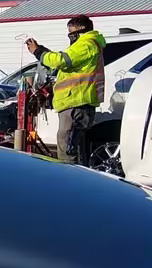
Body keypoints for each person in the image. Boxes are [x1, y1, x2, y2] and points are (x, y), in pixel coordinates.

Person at [26, 15, 107, 165]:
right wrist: (42, 51)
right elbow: (63, 62)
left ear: (81, 30)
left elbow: (62, 61)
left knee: (68, 148)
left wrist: (37, 52)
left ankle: (70, 182)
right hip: (76, 102)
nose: (70, 35)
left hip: (76, 102)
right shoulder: (87, 45)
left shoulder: (86, 44)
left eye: (71, 32)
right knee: (72, 145)